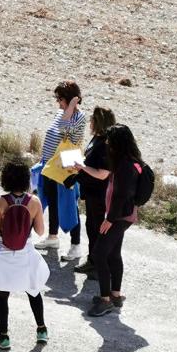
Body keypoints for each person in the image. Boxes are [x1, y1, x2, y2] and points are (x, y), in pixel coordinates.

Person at [0, 162, 50, 350]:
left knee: (1, 295)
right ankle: (41, 330)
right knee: (33, 291)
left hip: (3, 253)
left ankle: (3, 336)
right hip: (25, 253)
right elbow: (41, 231)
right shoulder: (34, 202)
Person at [73, 124, 143, 317]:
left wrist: (109, 219)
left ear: (117, 143)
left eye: (110, 140)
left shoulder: (126, 167)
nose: (107, 143)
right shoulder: (127, 161)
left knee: (100, 254)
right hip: (123, 215)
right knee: (113, 254)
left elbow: (121, 196)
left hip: (119, 217)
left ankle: (105, 300)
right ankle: (116, 295)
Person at [34, 80, 87, 258]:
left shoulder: (79, 116)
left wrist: (71, 107)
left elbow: (65, 128)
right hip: (50, 165)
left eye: (60, 99)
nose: (58, 102)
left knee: (69, 205)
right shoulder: (61, 112)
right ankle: (52, 236)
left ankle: (75, 245)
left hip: (66, 167)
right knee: (51, 200)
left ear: (71, 99)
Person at [70, 107, 116, 274]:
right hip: (91, 192)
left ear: (98, 122)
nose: (89, 123)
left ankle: (99, 266)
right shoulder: (97, 139)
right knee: (91, 227)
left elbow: (103, 174)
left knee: (97, 229)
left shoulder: (105, 144)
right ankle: (93, 261)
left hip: (99, 195)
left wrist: (82, 167)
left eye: (92, 120)